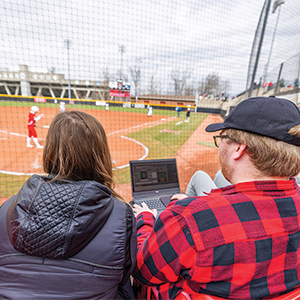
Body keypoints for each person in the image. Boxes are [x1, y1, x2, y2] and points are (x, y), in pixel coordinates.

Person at [133, 96, 300, 299]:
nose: (219, 146)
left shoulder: (190, 218)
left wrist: (146, 219)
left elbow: (142, 271)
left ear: (239, 148)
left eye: (221, 139)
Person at [1, 111, 137, 299]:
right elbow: (125, 275)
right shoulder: (122, 216)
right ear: (100, 154)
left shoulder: (6, 210)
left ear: (50, 151)